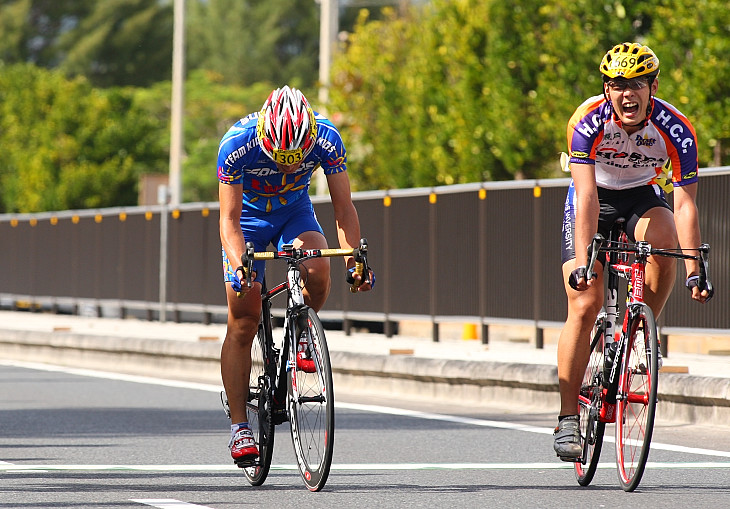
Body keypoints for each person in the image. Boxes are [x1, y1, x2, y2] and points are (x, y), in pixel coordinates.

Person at [554, 42, 712, 461]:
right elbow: (585, 195)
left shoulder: (675, 128)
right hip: (593, 198)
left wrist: (695, 268)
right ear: (606, 89)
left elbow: (684, 204)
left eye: (637, 85)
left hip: (642, 194)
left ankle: (642, 333)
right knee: (584, 303)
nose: (628, 94)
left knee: (664, 242)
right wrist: (587, 263)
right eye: (618, 85)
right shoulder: (587, 120)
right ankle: (568, 418)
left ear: (653, 87)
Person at [217, 86, 374, 465]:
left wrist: (355, 260)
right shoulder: (236, 144)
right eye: (280, 157)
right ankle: (240, 427)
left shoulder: (326, 137)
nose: (289, 166)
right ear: (263, 139)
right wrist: (240, 265)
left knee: (318, 267)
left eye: (297, 158)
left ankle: (301, 333)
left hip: (293, 214)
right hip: (249, 221)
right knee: (244, 318)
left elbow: (343, 208)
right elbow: (229, 220)